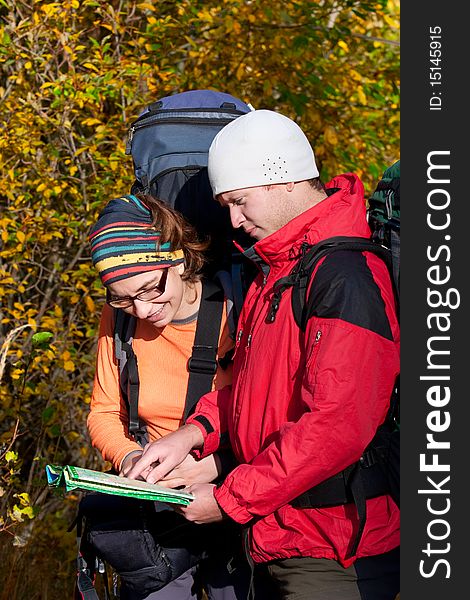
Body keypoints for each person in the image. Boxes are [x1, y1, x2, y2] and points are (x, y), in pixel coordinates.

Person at [127, 110, 400, 600]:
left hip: (335, 551)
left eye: (239, 201)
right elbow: (253, 391)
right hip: (277, 535)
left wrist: (230, 500)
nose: (233, 219)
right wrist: (192, 434)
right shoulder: (275, 271)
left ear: (281, 178)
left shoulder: (346, 275)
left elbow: (338, 424)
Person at [87, 192, 257, 600]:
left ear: (179, 259)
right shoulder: (120, 321)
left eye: (149, 288)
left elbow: (268, 415)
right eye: (123, 298)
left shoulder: (238, 310)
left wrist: (216, 465)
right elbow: (104, 412)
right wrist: (130, 460)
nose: (143, 311)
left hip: (231, 496)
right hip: (156, 516)